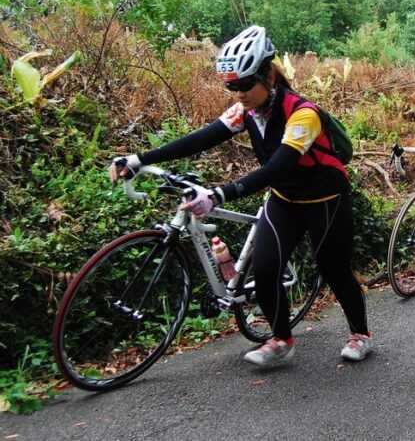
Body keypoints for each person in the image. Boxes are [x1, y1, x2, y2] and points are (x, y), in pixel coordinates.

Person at [109, 25, 372, 367]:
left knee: (333, 269)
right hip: (286, 200)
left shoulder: (302, 114)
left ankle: (360, 334)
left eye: (245, 84)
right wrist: (140, 159)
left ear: (268, 76)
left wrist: (218, 195)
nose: (238, 93)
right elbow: (201, 138)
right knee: (264, 269)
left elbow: (277, 167)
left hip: (326, 201)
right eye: (231, 85)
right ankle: (281, 339)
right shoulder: (245, 111)